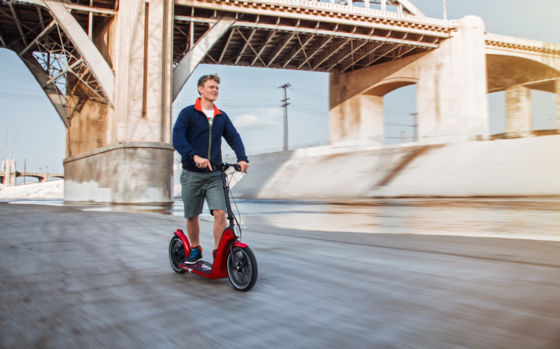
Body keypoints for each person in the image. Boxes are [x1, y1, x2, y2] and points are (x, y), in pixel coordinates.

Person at [172, 74, 249, 264]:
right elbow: (178, 138)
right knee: (192, 215)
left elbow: (233, 137)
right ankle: (195, 248)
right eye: (211, 87)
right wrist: (194, 156)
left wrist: (242, 158)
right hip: (192, 173)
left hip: (215, 174)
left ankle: (218, 253)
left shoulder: (221, 116)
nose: (215, 90)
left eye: (217, 88)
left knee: (221, 213)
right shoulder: (188, 113)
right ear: (200, 89)